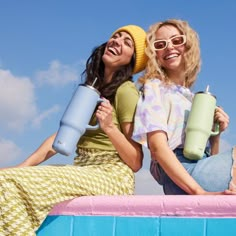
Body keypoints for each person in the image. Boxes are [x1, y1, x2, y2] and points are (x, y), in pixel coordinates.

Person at [0, 25, 147, 235]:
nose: (117, 41)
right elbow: (59, 138)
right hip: (84, 168)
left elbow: (135, 161)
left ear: (133, 60)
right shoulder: (90, 90)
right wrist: (21, 167)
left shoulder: (126, 91)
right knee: (6, 180)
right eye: (116, 36)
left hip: (112, 175)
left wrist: (110, 128)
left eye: (127, 42)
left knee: (6, 186)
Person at [132, 19, 236, 195]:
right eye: (160, 44)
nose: (169, 47)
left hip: (199, 168)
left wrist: (215, 136)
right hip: (179, 173)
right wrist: (198, 192)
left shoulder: (193, 98)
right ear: (154, 54)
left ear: (189, 45)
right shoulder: (154, 87)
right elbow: (158, 147)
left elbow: (208, 158)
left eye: (176, 40)